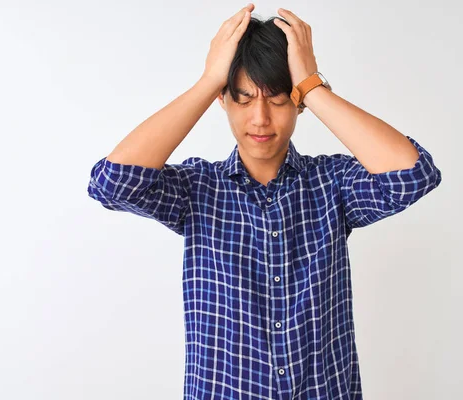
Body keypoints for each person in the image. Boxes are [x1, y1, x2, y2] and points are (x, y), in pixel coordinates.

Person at [87, 4, 442, 399]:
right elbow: (112, 184)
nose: (259, 118)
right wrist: (208, 81)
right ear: (223, 101)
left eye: (276, 100)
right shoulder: (197, 188)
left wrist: (311, 85)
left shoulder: (332, 184)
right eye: (243, 99)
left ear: (298, 102)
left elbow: (414, 175)